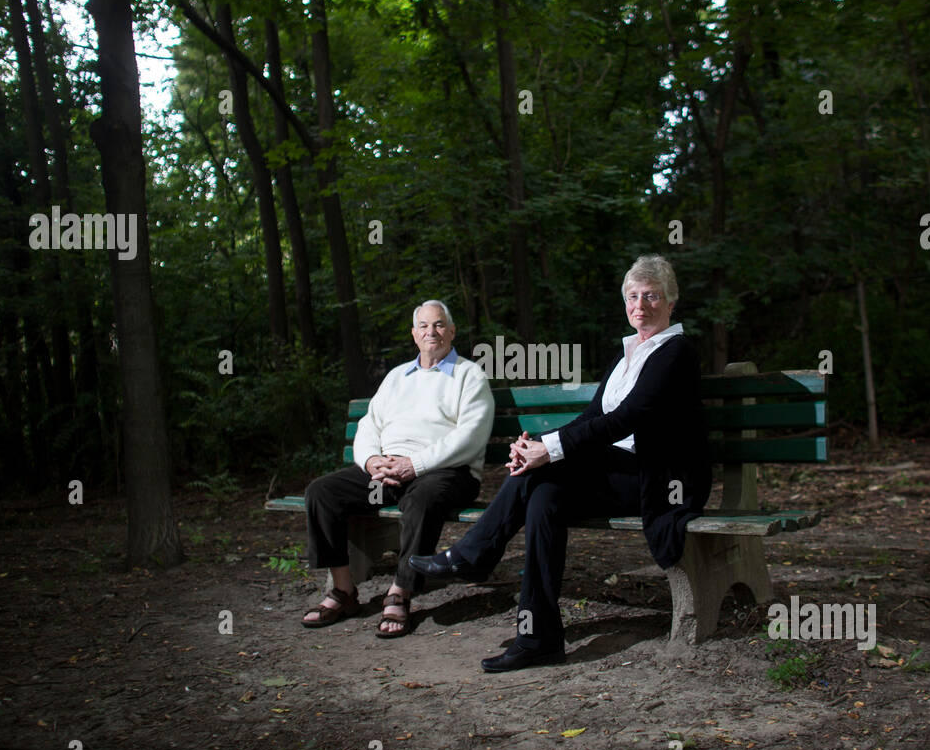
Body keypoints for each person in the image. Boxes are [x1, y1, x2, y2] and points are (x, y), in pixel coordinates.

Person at [410, 255, 710, 671]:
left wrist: (547, 451)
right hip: (616, 472)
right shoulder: (627, 356)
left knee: (544, 471)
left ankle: (473, 555)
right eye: (633, 296)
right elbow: (592, 418)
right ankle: (539, 639)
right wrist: (538, 444)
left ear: (671, 302)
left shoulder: (674, 352)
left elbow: (627, 418)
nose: (640, 305)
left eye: (652, 296)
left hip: (657, 478)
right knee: (543, 494)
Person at [301, 300, 494, 637]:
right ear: (414, 334)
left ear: (451, 331)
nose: (430, 332)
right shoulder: (396, 377)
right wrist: (372, 461)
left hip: (448, 472)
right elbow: (369, 425)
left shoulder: (469, 374)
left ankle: (400, 592)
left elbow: (470, 437)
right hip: (387, 473)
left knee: (421, 498)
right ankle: (344, 591)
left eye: (438, 325)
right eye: (423, 326)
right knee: (322, 492)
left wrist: (413, 465)